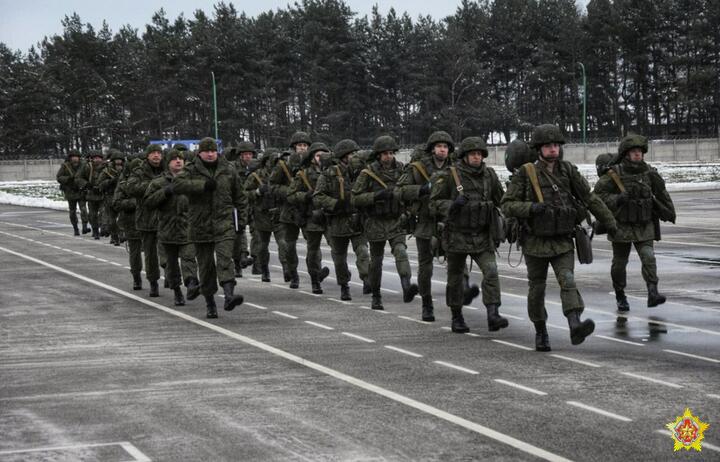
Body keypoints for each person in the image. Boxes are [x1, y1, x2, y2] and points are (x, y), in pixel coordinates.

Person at [501, 124, 617, 351]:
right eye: (548, 146)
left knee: (568, 281)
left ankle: (575, 324)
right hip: (535, 241)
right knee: (537, 289)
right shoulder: (526, 173)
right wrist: (531, 208)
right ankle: (541, 331)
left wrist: (610, 222)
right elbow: (507, 205)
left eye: (555, 145)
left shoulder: (568, 171)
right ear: (539, 149)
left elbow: (590, 198)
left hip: (562, 240)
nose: (553, 149)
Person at [430, 136, 508, 333]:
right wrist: (451, 205)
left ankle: (493, 313)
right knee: (455, 278)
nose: (476, 157)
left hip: (482, 235)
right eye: (472, 154)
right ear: (464, 156)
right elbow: (433, 203)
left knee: (491, 272)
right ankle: (457, 316)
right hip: (457, 235)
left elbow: (502, 200)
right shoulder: (449, 175)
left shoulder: (489, 176)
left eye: (479, 154)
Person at [593, 134, 675, 311]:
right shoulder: (614, 174)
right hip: (621, 226)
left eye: (640, 151)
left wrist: (669, 211)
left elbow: (661, 192)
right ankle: (620, 294)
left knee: (649, 257)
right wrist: (617, 199)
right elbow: (597, 196)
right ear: (626, 154)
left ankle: (652, 291)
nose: (638, 154)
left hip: (644, 225)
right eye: (634, 152)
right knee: (620, 263)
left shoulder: (649, 173)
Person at [174, 137, 247, 318]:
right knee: (206, 267)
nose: (210, 154)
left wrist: (242, 222)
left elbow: (240, 197)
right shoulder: (191, 169)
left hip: (224, 224)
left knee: (225, 260)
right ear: (199, 153)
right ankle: (210, 303)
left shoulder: (228, 170)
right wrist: (202, 186)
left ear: (217, 152)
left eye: (213, 151)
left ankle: (229, 295)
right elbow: (177, 185)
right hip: (200, 225)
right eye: (206, 151)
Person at [351, 135, 419, 310]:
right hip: (375, 222)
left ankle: (406, 286)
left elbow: (409, 193)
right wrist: (375, 196)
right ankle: (376, 295)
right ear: (378, 155)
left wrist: (409, 211)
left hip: (396, 220)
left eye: (390, 153)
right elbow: (355, 198)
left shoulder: (402, 170)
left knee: (401, 252)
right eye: (384, 153)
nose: (388, 156)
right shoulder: (367, 173)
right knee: (376, 261)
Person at [398, 131, 453, 321]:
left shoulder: (455, 168)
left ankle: (456, 303)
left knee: (457, 265)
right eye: (439, 146)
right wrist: (421, 189)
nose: (442, 150)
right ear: (432, 149)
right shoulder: (417, 168)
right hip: (424, 221)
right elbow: (400, 191)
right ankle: (427, 304)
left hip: (449, 223)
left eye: (445, 147)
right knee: (426, 267)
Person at [314, 139, 371, 300]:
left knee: (362, 251)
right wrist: (335, 204)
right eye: (350, 154)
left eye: (355, 154)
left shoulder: (363, 172)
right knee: (339, 259)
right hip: (337, 221)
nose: (354, 157)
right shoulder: (329, 173)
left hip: (357, 220)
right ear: (342, 156)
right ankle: (344, 285)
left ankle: (367, 279)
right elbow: (318, 197)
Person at [144, 148, 200, 306]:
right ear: (168, 163)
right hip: (167, 230)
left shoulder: (191, 180)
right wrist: (165, 192)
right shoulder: (158, 183)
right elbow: (148, 202)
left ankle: (191, 285)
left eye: (180, 159)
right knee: (171, 265)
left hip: (187, 228)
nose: (178, 161)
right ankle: (177, 291)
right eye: (174, 159)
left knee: (189, 259)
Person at [287, 142, 331, 294]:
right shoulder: (303, 174)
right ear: (312, 158)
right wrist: (305, 195)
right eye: (318, 155)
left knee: (337, 247)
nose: (321, 158)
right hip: (312, 216)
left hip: (331, 215)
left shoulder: (334, 172)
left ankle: (343, 276)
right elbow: (291, 195)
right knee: (313, 250)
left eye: (324, 155)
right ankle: (315, 278)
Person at [269, 132, 311, 288]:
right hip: (289, 209)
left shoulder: (311, 163)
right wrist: (289, 192)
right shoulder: (283, 165)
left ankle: (315, 272)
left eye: (305, 145)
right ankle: (293, 274)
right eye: (299, 145)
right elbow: (272, 186)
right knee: (290, 246)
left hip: (307, 209)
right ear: (294, 147)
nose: (302, 148)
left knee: (313, 244)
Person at [127, 144, 164, 297]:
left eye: (158, 153)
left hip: (166, 218)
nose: (156, 156)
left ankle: (172, 278)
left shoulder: (167, 169)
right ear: (148, 156)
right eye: (153, 153)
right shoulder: (139, 172)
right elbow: (132, 188)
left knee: (168, 252)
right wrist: (154, 185)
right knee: (150, 254)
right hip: (146, 218)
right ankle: (153, 282)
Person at [113, 155, 144, 290]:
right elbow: (117, 203)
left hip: (153, 221)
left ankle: (164, 277)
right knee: (135, 253)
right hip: (132, 222)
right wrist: (136, 203)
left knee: (157, 252)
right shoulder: (124, 184)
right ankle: (136, 277)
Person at [229, 141, 258, 277]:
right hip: (238, 206)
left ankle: (255, 261)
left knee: (257, 234)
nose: (248, 157)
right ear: (240, 155)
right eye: (245, 154)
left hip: (254, 206)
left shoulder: (257, 168)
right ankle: (238, 262)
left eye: (250, 154)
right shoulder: (232, 169)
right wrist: (254, 193)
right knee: (238, 234)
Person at [75, 150, 106, 240]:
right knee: (92, 215)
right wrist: (86, 184)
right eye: (95, 158)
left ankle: (103, 228)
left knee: (103, 213)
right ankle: (95, 231)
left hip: (103, 194)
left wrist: (104, 185)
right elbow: (78, 178)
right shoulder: (87, 167)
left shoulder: (106, 167)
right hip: (91, 194)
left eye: (99, 158)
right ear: (92, 159)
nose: (97, 160)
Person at [56, 150, 88, 235]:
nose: (75, 158)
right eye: (73, 157)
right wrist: (68, 179)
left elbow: (88, 176)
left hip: (81, 191)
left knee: (83, 209)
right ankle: (75, 228)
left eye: (76, 157)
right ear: (70, 158)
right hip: (70, 191)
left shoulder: (83, 165)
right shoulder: (65, 166)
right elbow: (59, 177)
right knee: (72, 211)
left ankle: (85, 225)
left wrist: (84, 184)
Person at [97, 149, 125, 245]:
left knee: (122, 217)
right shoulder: (106, 171)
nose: (118, 162)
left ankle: (122, 234)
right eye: (116, 160)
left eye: (120, 160)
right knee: (112, 219)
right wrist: (110, 181)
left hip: (122, 196)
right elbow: (100, 184)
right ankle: (114, 236)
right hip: (110, 196)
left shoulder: (126, 170)